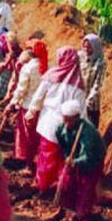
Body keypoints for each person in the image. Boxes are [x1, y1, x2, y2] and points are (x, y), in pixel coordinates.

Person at [26, 46, 86, 193]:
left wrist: (32, 111)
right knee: (62, 158)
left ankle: (43, 185)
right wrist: (82, 127)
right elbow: (81, 110)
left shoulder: (51, 76)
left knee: (46, 156)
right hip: (67, 127)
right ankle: (62, 187)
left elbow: (38, 96)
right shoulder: (78, 83)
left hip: (49, 124)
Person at [55, 100, 105, 221]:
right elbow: (63, 147)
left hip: (91, 162)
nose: (66, 124)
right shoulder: (60, 129)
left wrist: (74, 162)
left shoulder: (87, 133)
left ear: (77, 117)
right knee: (67, 184)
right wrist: (67, 158)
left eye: (69, 120)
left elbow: (87, 156)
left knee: (85, 188)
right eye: (64, 120)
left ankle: (83, 218)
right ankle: (65, 209)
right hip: (73, 158)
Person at [8, 40, 48, 171]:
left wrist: (12, 103)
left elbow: (21, 90)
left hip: (28, 108)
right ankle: (40, 165)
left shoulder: (28, 68)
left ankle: (29, 165)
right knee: (40, 136)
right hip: (44, 108)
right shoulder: (49, 66)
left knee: (27, 138)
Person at [79, 34, 106, 128]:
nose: (86, 49)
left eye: (89, 47)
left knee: (91, 128)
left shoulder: (101, 62)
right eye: (85, 46)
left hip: (92, 104)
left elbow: (98, 84)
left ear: (95, 47)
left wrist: (88, 101)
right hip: (79, 99)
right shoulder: (80, 57)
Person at [0, 31, 22, 100]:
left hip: (10, 71)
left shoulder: (14, 51)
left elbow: (5, 65)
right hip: (11, 70)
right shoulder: (11, 46)